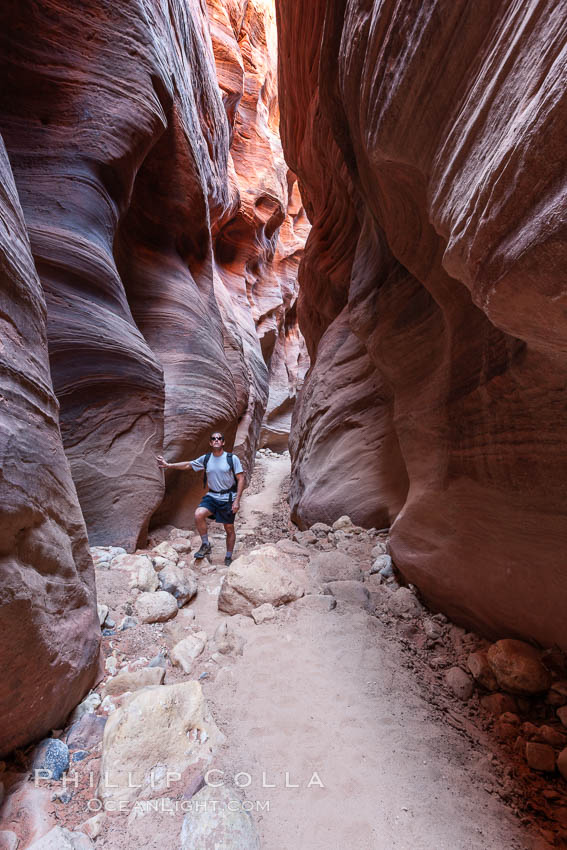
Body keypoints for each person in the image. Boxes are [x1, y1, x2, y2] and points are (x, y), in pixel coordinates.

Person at [156, 432, 244, 566]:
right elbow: (188, 465)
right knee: (198, 514)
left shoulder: (232, 459)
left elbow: (241, 478)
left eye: (219, 438)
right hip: (212, 496)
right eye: (213, 438)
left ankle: (228, 556)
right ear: (210, 443)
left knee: (229, 528)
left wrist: (237, 500)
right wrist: (169, 465)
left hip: (228, 498)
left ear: (223, 442)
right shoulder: (206, 458)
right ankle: (205, 544)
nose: (216, 440)